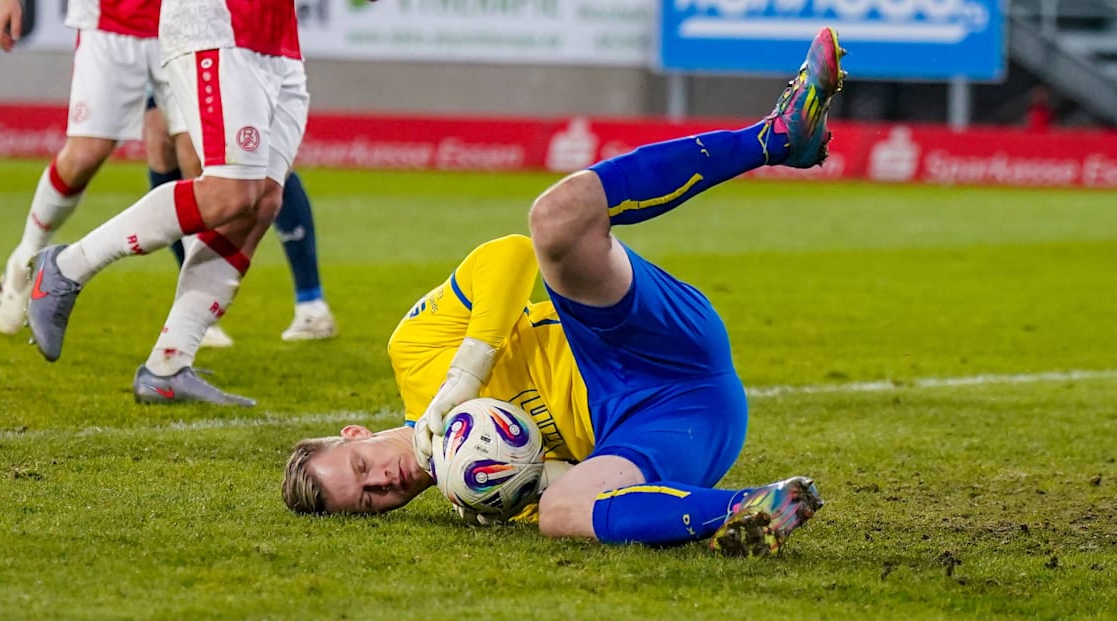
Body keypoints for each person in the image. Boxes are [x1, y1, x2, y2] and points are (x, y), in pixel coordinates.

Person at [280, 28, 847, 557]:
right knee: (562, 512)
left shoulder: (413, 354)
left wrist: (465, 376)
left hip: (632, 345)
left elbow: (507, 254)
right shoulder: (480, 501)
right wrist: (525, 486)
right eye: (372, 499)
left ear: (354, 434)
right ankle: (752, 510)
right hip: (679, 426)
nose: (383, 481)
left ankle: (774, 138)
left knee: (554, 220)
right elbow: (580, 490)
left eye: (360, 467)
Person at [23, 0, 310, 408]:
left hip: (277, 35)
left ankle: (167, 366)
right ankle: (67, 267)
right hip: (219, 23)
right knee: (231, 192)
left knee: (262, 200)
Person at [0, 0, 190, 336]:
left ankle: (191, 314)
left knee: (199, 160)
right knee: (84, 156)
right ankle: (26, 256)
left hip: (185, 23)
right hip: (109, 22)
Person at [144, 100, 337, 347]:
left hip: (234, 65)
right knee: (162, 148)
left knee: (262, 157)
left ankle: (311, 306)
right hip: (167, 62)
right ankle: (195, 310)